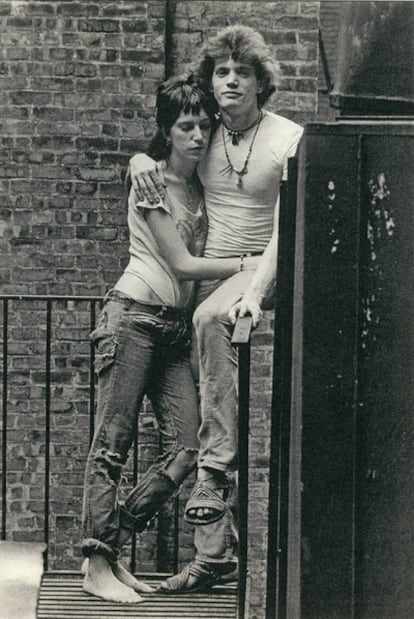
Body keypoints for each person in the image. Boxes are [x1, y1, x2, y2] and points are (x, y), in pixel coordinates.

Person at [128, 25, 304, 594]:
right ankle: (214, 554)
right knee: (199, 402)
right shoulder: (205, 134)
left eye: (242, 72)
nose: (230, 81)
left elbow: (285, 227)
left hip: (257, 268)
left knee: (209, 323)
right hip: (213, 275)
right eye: (221, 72)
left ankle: (214, 471)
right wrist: (136, 158)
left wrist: (255, 290)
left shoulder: (286, 138)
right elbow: (160, 157)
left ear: (261, 82)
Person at [81, 73, 260, 604]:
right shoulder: (150, 180)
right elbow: (182, 266)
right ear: (167, 129)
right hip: (133, 317)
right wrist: (253, 263)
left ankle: (108, 548)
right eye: (186, 126)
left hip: (175, 331)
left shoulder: (203, 184)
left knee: (186, 448)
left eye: (205, 124)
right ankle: (95, 563)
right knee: (111, 447)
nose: (199, 135)